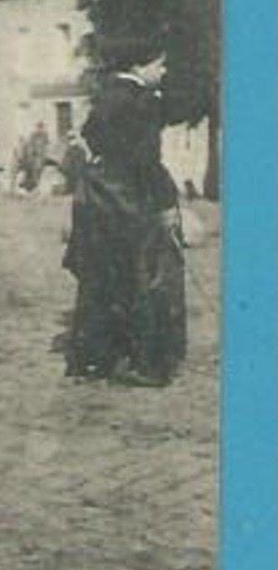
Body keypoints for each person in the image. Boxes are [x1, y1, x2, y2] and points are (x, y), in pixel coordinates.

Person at [62, 37, 186, 386]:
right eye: (159, 64)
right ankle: (147, 362)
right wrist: (165, 201)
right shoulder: (144, 102)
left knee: (99, 278)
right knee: (142, 277)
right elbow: (147, 160)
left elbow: (89, 140)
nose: (163, 71)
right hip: (131, 199)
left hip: (97, 198)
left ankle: (93, 360)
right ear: (141, 66)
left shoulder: (104, 94)